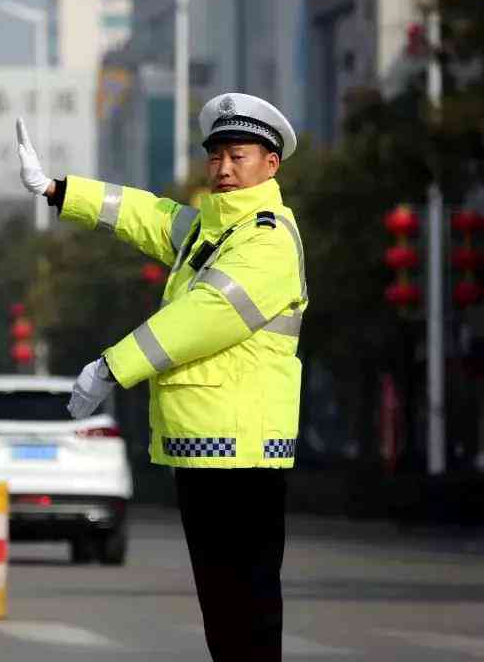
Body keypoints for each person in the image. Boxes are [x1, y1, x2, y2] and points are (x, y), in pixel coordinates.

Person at [15, 92, 307, 662]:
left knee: (244, 604)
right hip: (208, 446)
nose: (223, 168)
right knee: (223, 605)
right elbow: (147, 214)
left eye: (238, 155)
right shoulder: (211, 231)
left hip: (244, 450)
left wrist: (112, 366)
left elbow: (205, 315)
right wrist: (57, 190)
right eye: (216, 155)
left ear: (271, 164)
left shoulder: (266, 238)